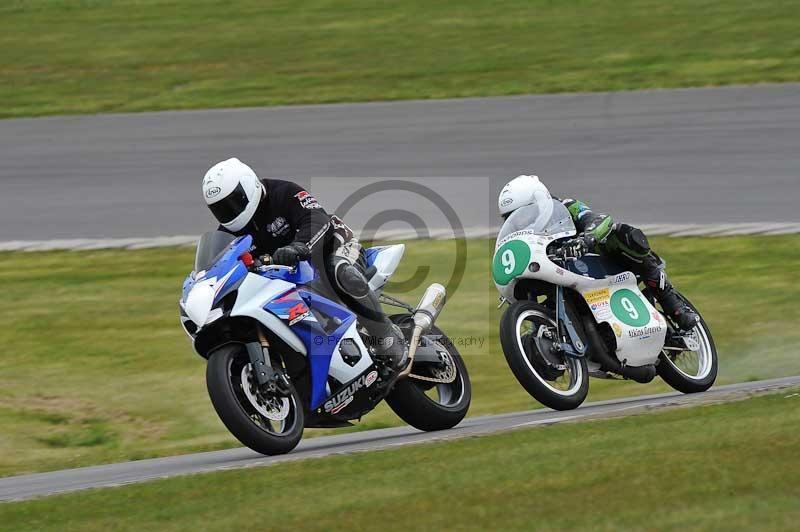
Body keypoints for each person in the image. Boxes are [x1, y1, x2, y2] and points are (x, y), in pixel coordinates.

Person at [201, 157, 407, 368]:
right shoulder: (227, 233)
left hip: (331, 245)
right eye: (221, 208)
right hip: (289, 275)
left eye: (233, 202)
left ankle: (386, 338)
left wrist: (299, 246)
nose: (229, 212)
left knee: (340, 271)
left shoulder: (282, 192)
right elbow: (222, 265)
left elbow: (316, 218)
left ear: (248, 186)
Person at [498, 175, 699, 330]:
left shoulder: (566, 206)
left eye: (523, 211)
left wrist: (585, 240)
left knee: (624, 234)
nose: (518, 219)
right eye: (510, 217)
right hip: (559, 276)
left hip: (594, 261)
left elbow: (600, 220)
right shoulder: (519, 234)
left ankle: (674, 305)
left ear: (541, 200)